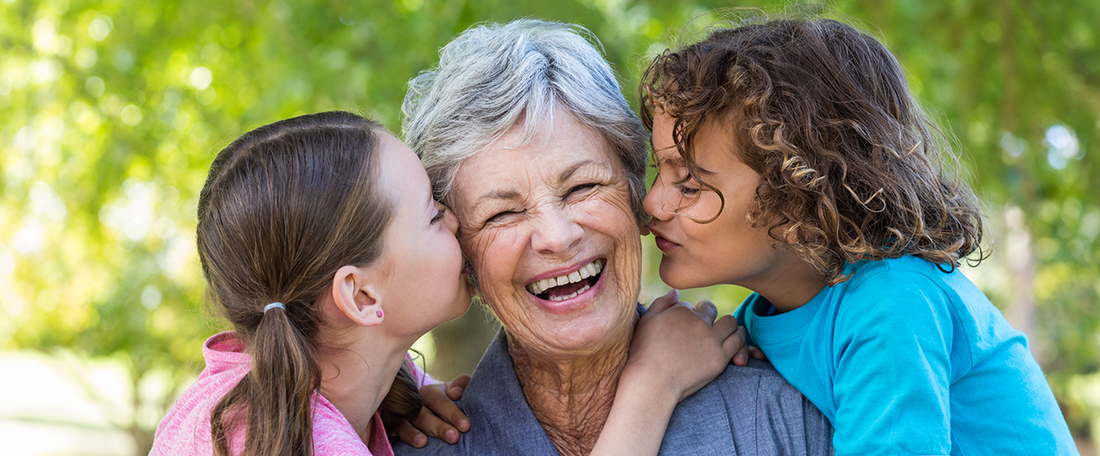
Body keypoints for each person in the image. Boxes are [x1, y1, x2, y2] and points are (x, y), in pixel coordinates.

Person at [148, 111, 742, 456]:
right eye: (434, 215)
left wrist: (401, 389)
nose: (458, 223)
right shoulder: (295, 441)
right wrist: (653, 385)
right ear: (360, 297)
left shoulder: (273, 391)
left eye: (582, 188)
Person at [640, 18, 1078, 455]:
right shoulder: (762, 317)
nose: (651, 205)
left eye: (690, 184)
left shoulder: (890, 301)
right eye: (660, 173)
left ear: (799, 199)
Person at [396, 19, 833, 456]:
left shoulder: (788, 416)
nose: (558, 237)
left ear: (636, 195)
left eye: (582, 187)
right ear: (461, 256)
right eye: (503, 213)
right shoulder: (412, 445)